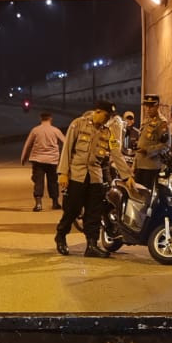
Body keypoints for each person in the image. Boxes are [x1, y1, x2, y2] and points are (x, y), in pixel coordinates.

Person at [55, 100, 117, 258]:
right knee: (72, 210)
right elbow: (67, 148)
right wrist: (63, 173)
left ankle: (91, 245)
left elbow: (113, 156)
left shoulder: (107, 132)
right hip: (77, 175)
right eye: (106, 115)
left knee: (94, 213)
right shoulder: (78, 124)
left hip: (95, 177)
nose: (108, 119)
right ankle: (61, 236)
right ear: (98, 112)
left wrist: (124, 175)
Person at [18, 111, 65, 212]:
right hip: (52, 161)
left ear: (40, 119)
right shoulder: (55, 130)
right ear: (50, 118)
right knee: (53, 181)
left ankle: (38, 204)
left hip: (38, 160)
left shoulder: (35, 130)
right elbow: (65, 143)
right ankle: (55, 202)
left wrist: (23, 158)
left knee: (38, 181)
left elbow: (28, 145)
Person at [132, 94, 171, 191]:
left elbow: (166, 145)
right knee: (138, 196)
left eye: (151, 106)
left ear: (157, 106)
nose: (148, 109)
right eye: (146, 106)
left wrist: (148, 150)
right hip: (140, 165)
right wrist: (134, 165)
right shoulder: (146, 121)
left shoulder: (162, 123)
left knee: (146, 195)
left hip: (151, 167)